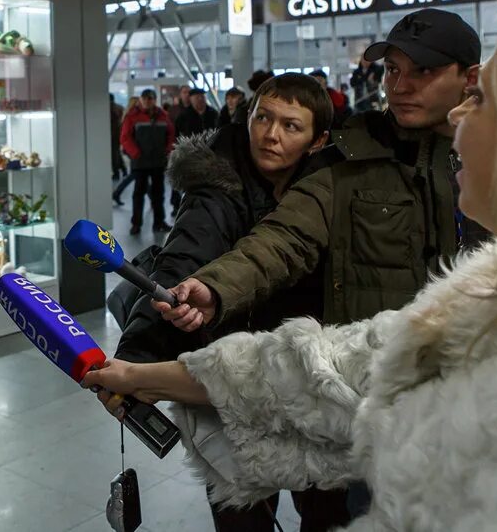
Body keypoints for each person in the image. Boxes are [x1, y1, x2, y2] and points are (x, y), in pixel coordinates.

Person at [84, 0, 497, 529]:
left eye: (479, 100)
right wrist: (158, 358)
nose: (453, 114)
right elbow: (343, 359)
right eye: (393, 71)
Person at [162, 8, 487, 337]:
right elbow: (282, 240)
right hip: (373, 373)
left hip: (484, 366)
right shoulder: (349, 160)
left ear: (470, 78)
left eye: (423, 71)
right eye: (392, 70)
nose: (400, 86)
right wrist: (217, 288)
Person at [116, 74, 348, 531]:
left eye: (290, 126)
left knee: (324, 510)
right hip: (231, 377)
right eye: (262, 117)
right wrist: (135, 360)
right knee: (241, 513)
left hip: (311, 378)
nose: (271, 134)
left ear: (318, 139)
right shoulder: (216, 184)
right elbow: (179, 260)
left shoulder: (333, 189)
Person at [119, 88, 175, 235]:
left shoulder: (163, 115)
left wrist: (167, 151)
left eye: (150, 99)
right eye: (144, 99)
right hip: (140, 163)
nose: (147, 101)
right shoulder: (132, 116)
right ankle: (136, 224)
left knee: (159, 193)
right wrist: (135, 153)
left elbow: (170, 134)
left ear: (154, 100)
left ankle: (159, 222)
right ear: (141, 100)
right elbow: (125, 137)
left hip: (158, 161)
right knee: (138, 193)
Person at [171, 88, 219, 213]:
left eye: (202, 96)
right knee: (189, 185)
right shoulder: (184, 116)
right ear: (190, 100)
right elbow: (176, 136)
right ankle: (185, 209)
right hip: (190, 156)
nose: (200, 99)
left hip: (210, 156)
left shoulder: (213, 114)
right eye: (196, 97)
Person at [112, 95, 141, 207]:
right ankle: (116, 193)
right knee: (136, 173)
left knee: (137, 174)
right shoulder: (131, 116)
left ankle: (116, 193)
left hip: (131, 149)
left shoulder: (128, 115)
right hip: (132, 149)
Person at [110, 93, 127, 180]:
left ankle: (116, 173)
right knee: (116, 153)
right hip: (118, 133)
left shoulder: (109, 107)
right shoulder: (120, 107)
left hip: (112, 134)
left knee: (114, 154)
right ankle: (124, 169)